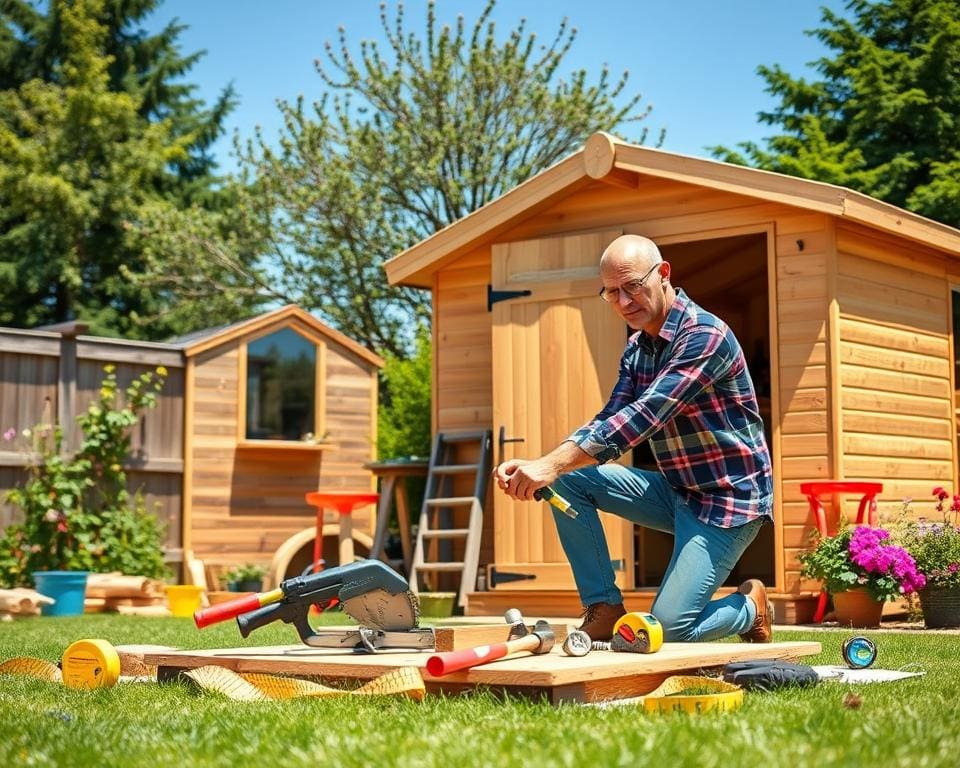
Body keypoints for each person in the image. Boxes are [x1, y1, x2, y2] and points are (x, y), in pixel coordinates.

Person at [494, 234, 774, 643]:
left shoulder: (704, 336)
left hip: (728, 501)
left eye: (633, 287)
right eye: (612, 293)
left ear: (663, 274)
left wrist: (549, 464)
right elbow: (610, 417)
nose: (624, 303)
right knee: (567, 480)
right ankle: (605, 607)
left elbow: (642, 418)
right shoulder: (638, 348)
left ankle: (749, 608)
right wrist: (543, 465)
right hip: (679, 491)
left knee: (671, 629)